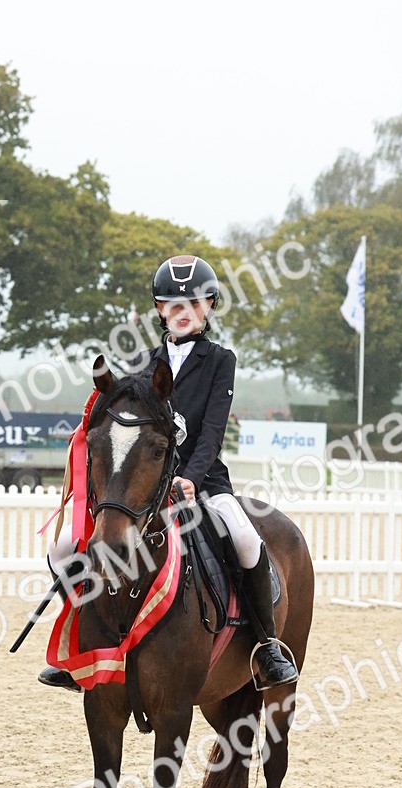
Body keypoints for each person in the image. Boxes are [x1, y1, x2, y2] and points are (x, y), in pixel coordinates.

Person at [38, 254, 298, 691]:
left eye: (193, 303)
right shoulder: (141, 361)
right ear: (159, 309)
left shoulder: (220, 361)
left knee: (245, 538)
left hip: (203, 479)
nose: (183, 312)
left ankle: (265, 644)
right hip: (145, 486)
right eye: (172, 304)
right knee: (64, 545)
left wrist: (192, 477)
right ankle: (83, 640)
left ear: (210, 305)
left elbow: (213, 431)